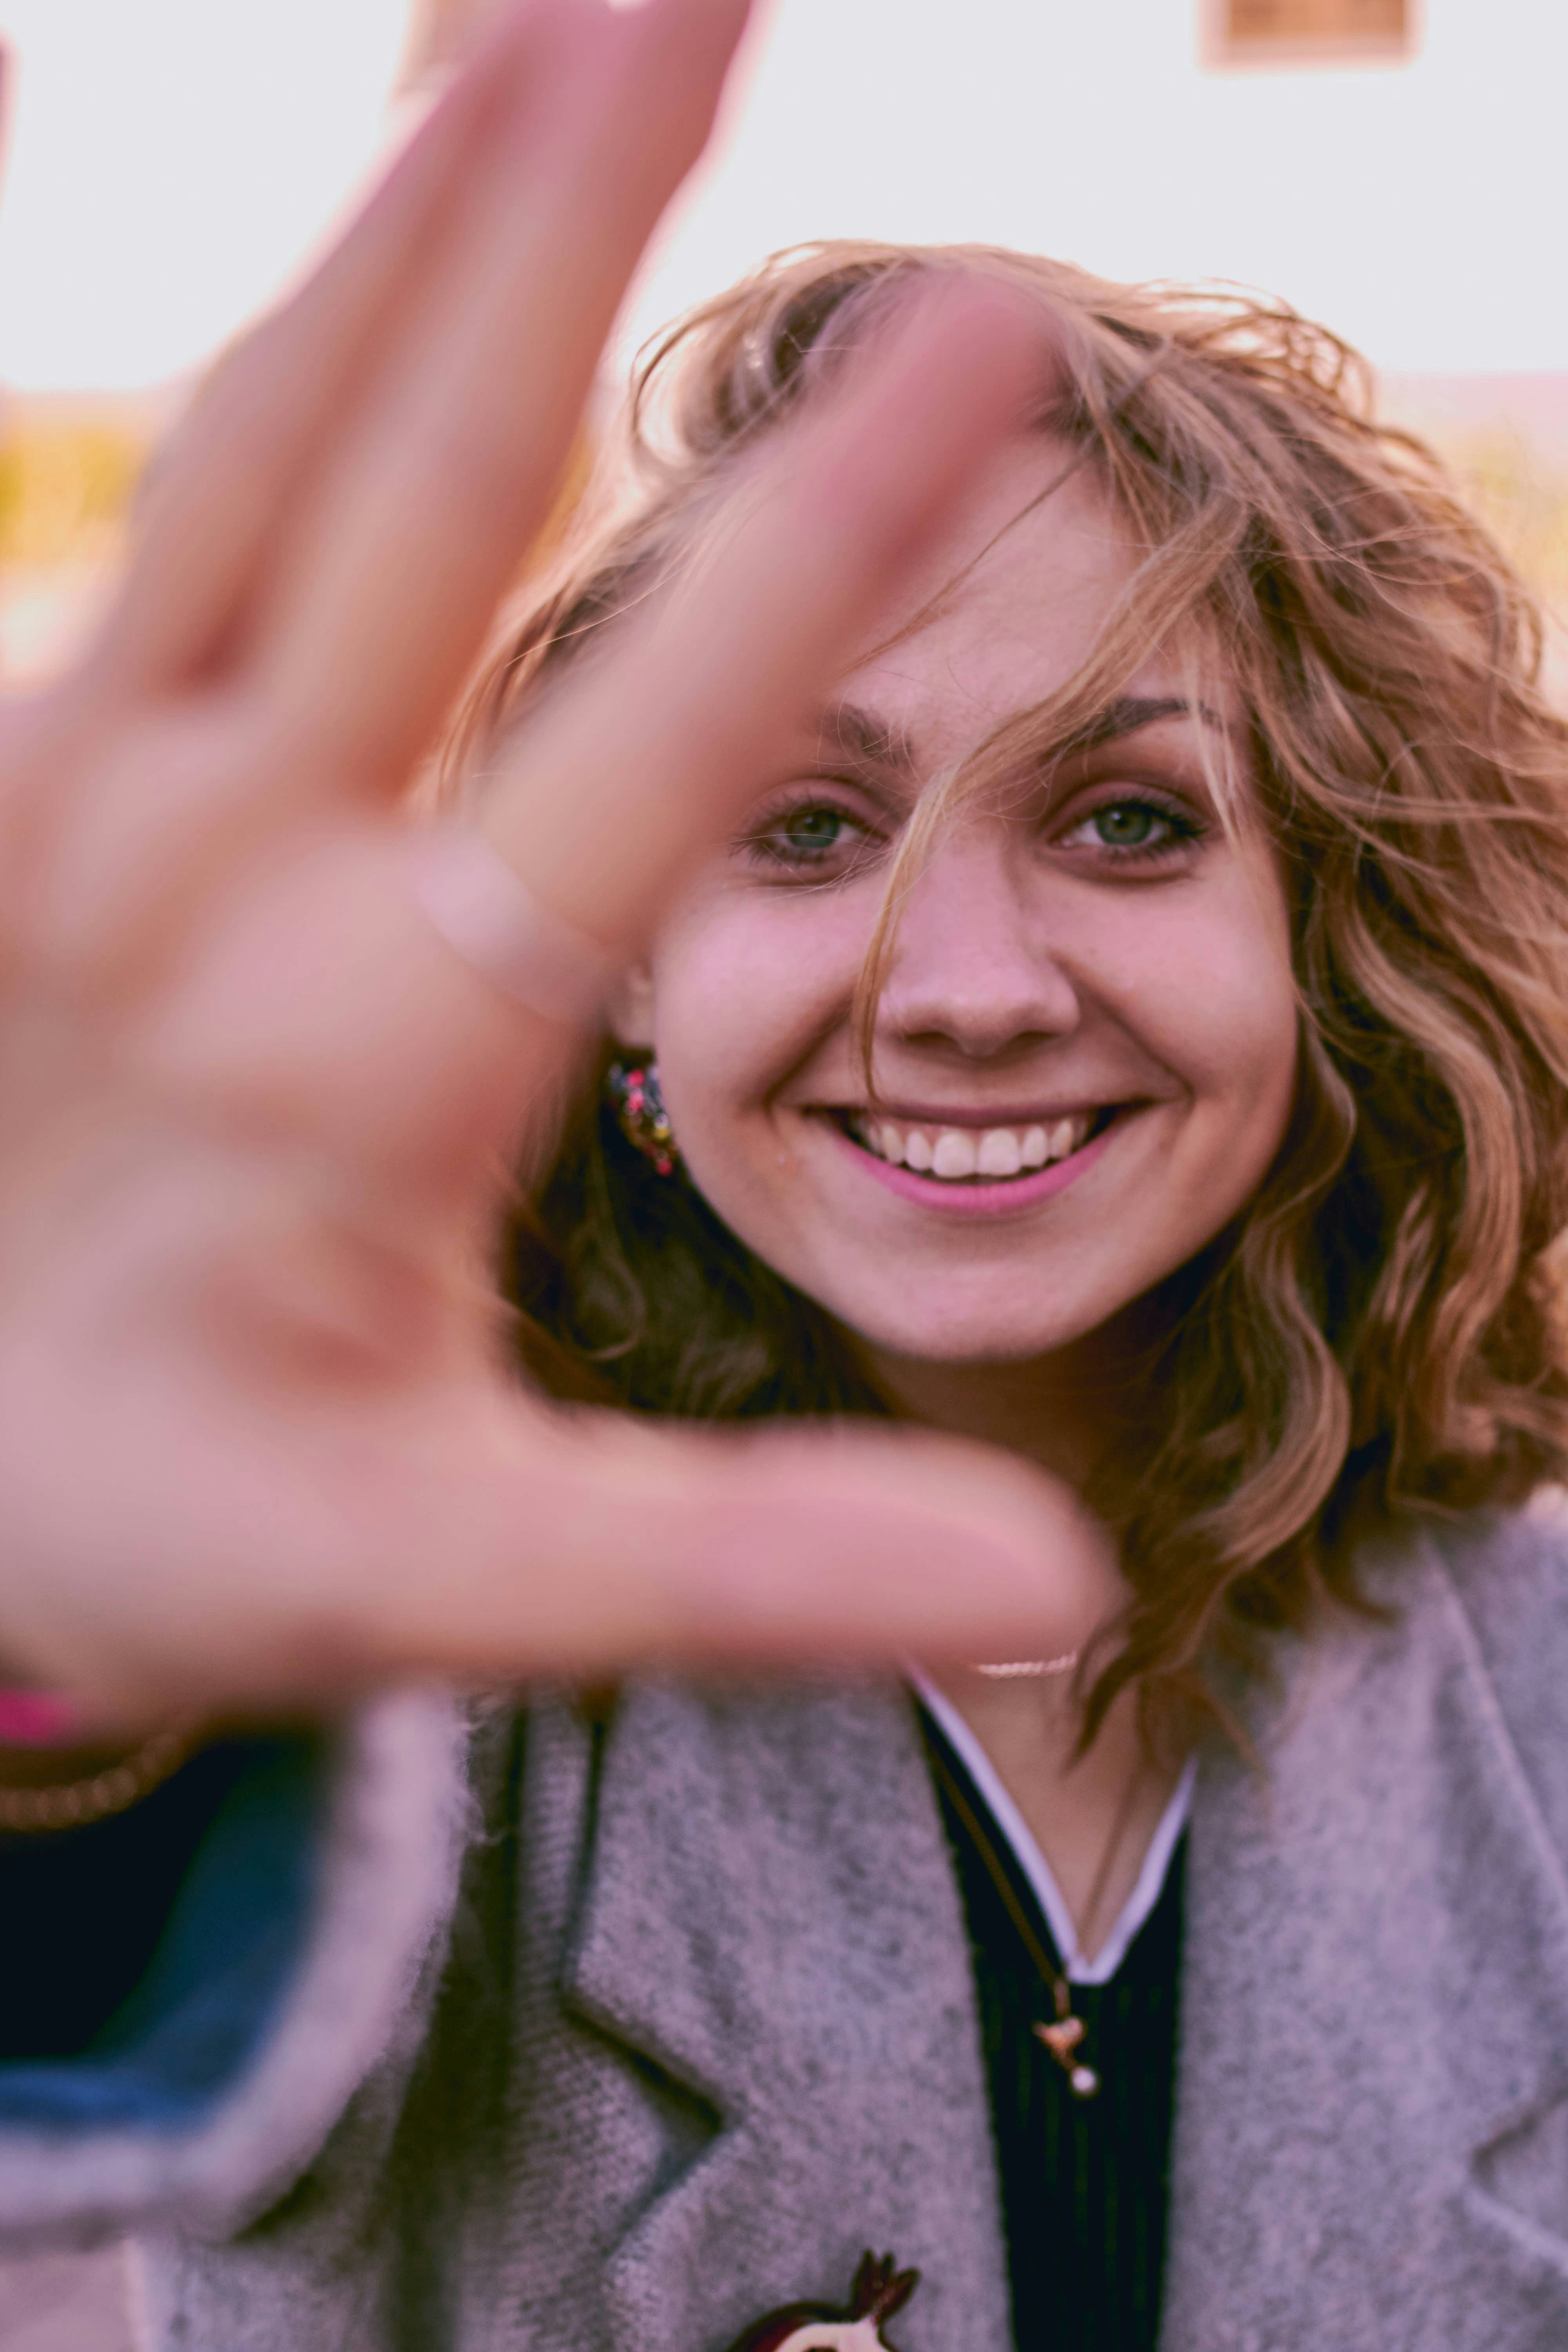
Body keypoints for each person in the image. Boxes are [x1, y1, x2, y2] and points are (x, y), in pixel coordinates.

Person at [1, 5, 1566, 2351]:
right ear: (616, 973)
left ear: (1329, 932)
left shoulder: (1533, 1700)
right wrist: (70, 1670)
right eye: (806, 829)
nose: (959, 988)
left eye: (1126, 819)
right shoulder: (407, 1670)